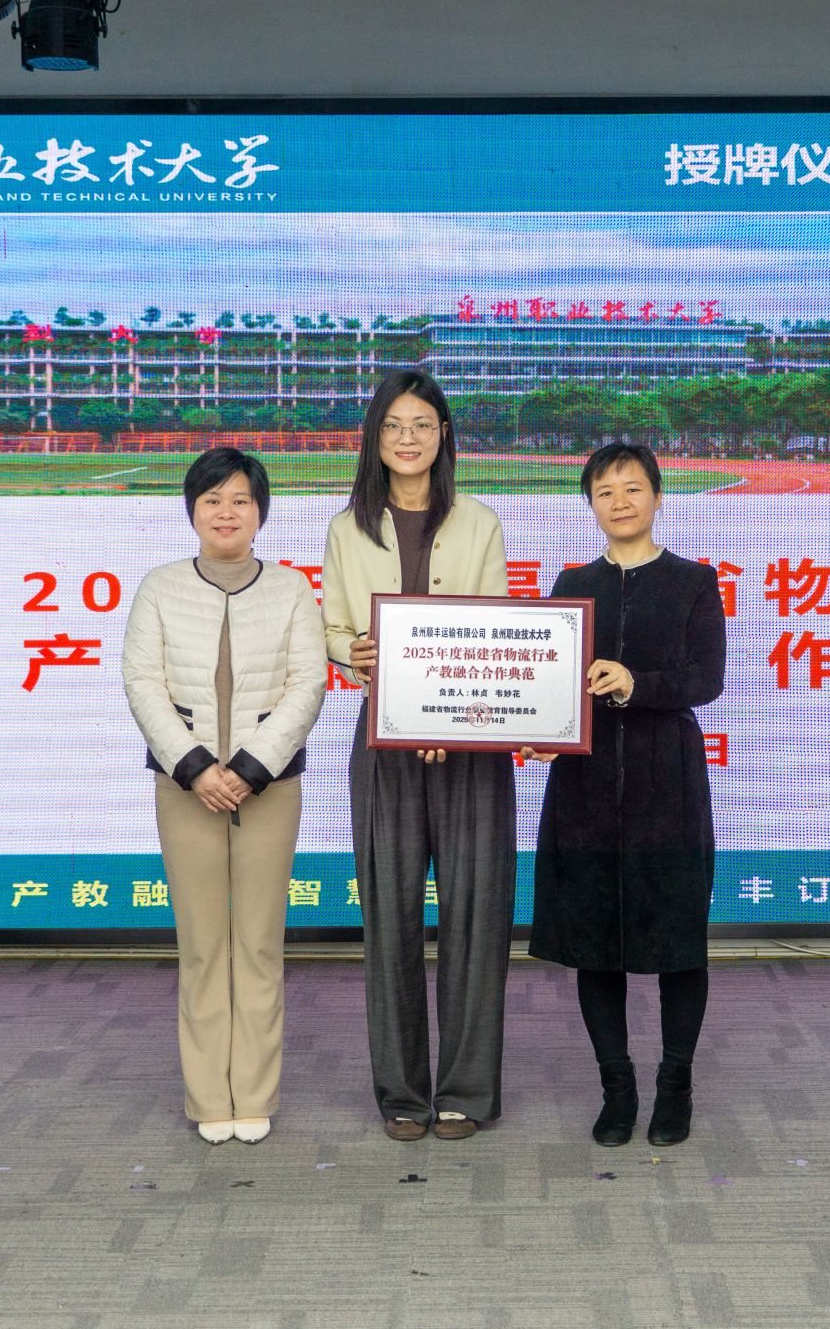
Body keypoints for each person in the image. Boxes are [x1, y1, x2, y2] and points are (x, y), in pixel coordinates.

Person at [323, 369, 516, 1141]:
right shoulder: (347, 528)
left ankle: (466, 1087)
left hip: (472, 746)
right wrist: (353, 650)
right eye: (394, 425)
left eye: (423, 424)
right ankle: (401, 1092)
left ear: (444, 435)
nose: (408, 438)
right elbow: (333, 627)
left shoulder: (480, 522)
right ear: (375, 438)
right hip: (386, 743)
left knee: (476, 916)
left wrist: (452, 711)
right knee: (390, 918)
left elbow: (495, 628)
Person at [122, 447, 326, 1146]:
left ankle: (255, 1093)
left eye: (240, 499)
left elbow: (308, 684)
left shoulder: (292, 589)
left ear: (260, 511)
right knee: (204, 946)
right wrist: (196, 768)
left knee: (259, 943)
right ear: (192, 510)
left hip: (269, 785)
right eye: (212, 500)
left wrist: (250, 768)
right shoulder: (159, 587)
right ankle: (211, 1096)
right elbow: (142, 683)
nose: (226, 512)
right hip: (186, 787)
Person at [527, 442, 726, 1147]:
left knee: (678, 941)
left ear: (657, 497)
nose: (619, 501)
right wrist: (539, 730)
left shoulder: (694, 581)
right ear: (590, 503)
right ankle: (618, 1088)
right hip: (582, 782)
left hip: (666, 778)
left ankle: (676, 1085)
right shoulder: (572, 583)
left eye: (633, 487)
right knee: (593, 941)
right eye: (605, 490)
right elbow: (549, 681)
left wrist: (636, 682)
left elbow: (706, 679)